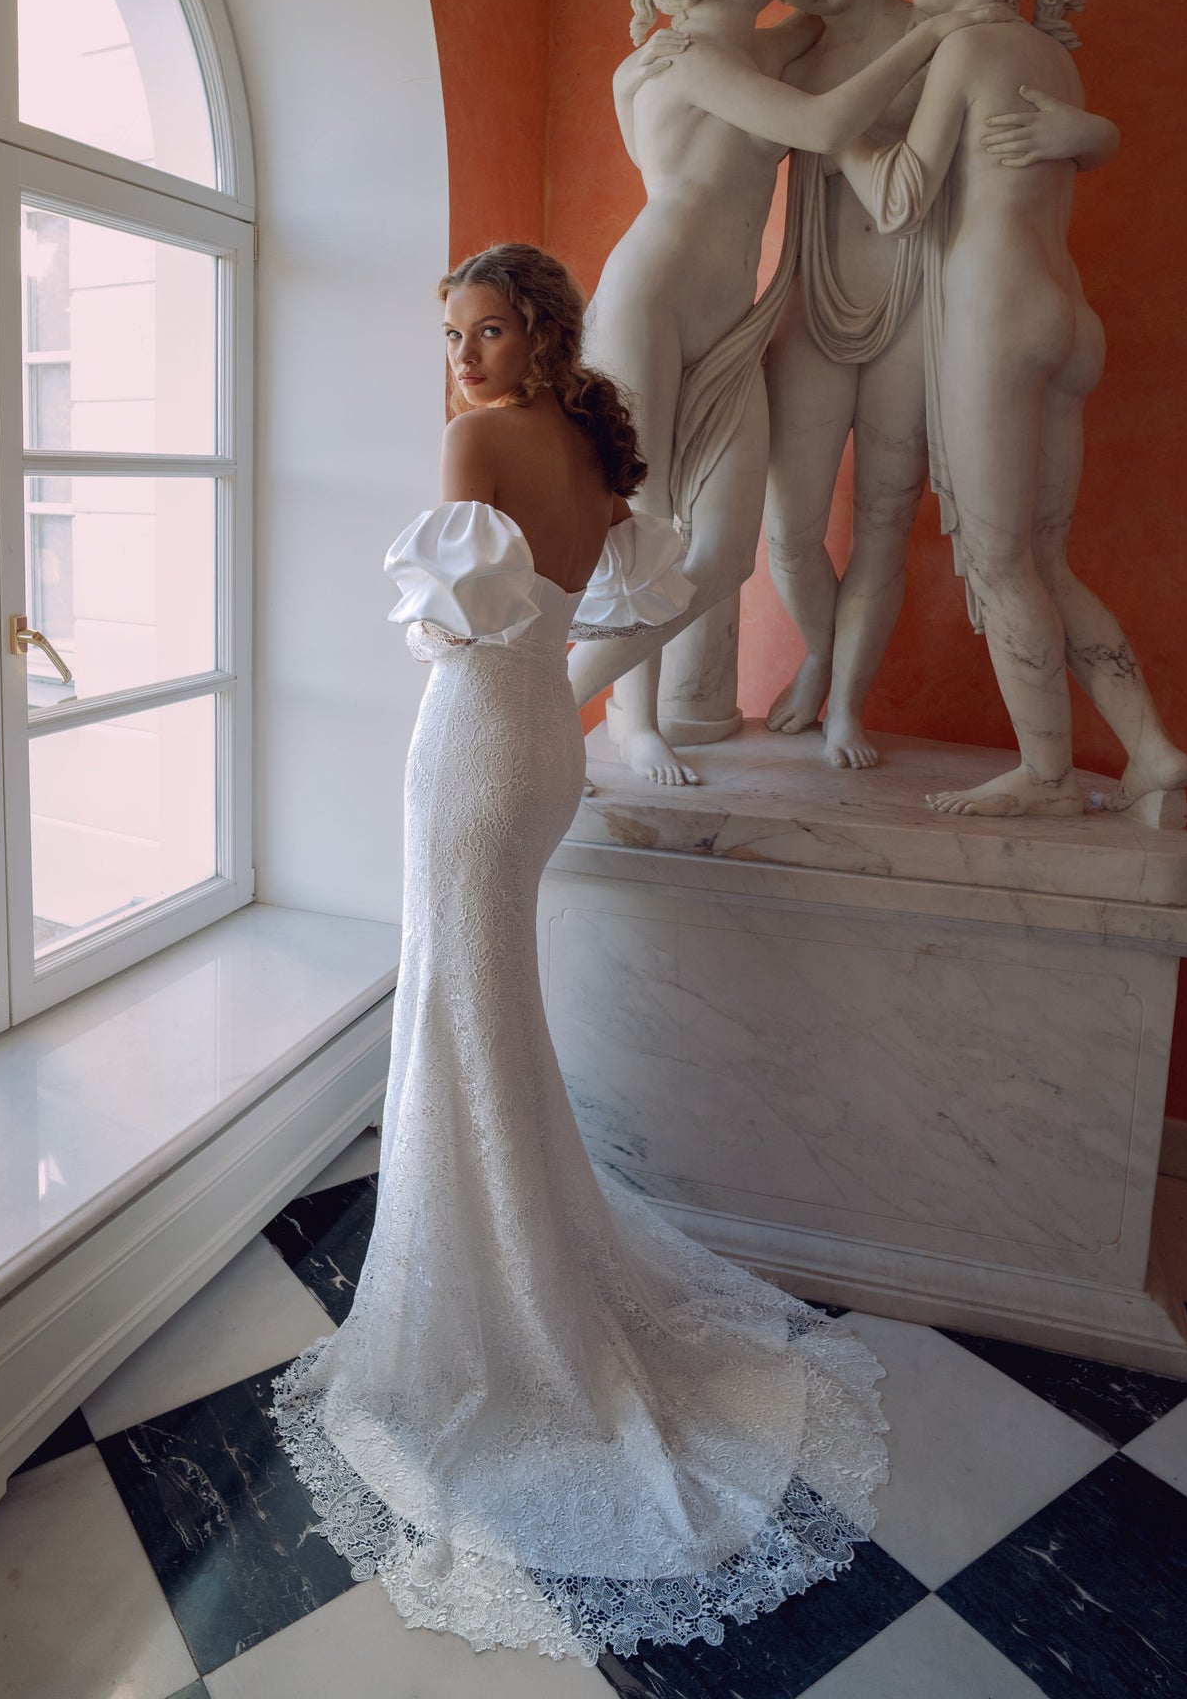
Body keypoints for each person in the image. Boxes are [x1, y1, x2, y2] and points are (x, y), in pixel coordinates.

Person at [269, 244, 888, 1664]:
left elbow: (445, 627)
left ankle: (497, 1313)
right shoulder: (594, 454)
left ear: (537, 334)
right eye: (454, 336)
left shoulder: (477, 441)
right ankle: (511, 1260)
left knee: (459, 1015)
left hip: (478, 744)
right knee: (475, 1017)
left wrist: (489, 636)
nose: (464, 360)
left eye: (486, 331)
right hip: (543, 744)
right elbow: (629, 599)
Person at [622, 0, 1119, 771]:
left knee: (886, 520)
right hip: (812, 300)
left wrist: (1090, 136)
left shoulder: (945, 33)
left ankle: (845, 705)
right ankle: (816, 653)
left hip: (918, 306)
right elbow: (717, 45)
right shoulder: (794, 54)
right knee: (789, 529)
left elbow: (1035, 121)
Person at [572, 0, 1012, 785]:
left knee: (726, 551)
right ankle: (613, 710)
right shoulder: (680, 59)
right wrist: (934, 35)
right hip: (648, 299)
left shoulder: (762, 48)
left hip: (731, 320)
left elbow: (827, 22)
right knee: (644, 522)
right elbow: (818, 122)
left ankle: (579, 693)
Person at [834, 0, 1187, 818]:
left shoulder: (968, 45)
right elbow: (1085, 145)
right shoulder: (1050, 55)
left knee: (999, 561)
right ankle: (1150, 750)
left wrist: (836, 137)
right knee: (1044, 555)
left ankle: (1044, 775)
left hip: (995, 310)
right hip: (1066, 318)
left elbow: (904, 198)